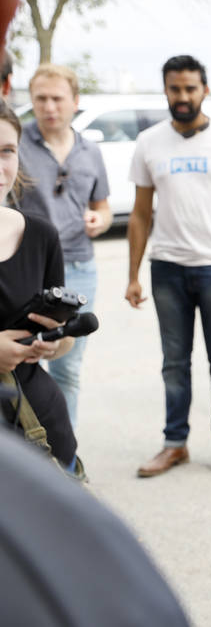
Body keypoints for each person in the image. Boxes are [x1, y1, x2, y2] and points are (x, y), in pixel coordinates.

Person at [126, 55, 211, 481]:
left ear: (205, 90)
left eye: (190, 88)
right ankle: (175, 444)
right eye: (174, 89)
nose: (182, 97)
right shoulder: (149, 142)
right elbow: (140, 214)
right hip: (166, 267)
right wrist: (132, 275)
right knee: (174, 362)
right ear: (165, 90)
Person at [17, 64, 111, 427]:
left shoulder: (90, 150)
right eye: (40, 98)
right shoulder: (14, 145)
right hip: (27, 267)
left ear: (75, 102)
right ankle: (26, 455)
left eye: (57, 98)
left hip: (78, 267)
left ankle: (64, 457)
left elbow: (102, 208)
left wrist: (99, 221)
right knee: (24, 361)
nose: (49, 107)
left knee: (67, 367)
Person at [0, 101, 78, 470]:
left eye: (7, 151)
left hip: (42, 430)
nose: (0, 167)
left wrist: (53, 344)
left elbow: (64, 341)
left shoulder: (40, 235)